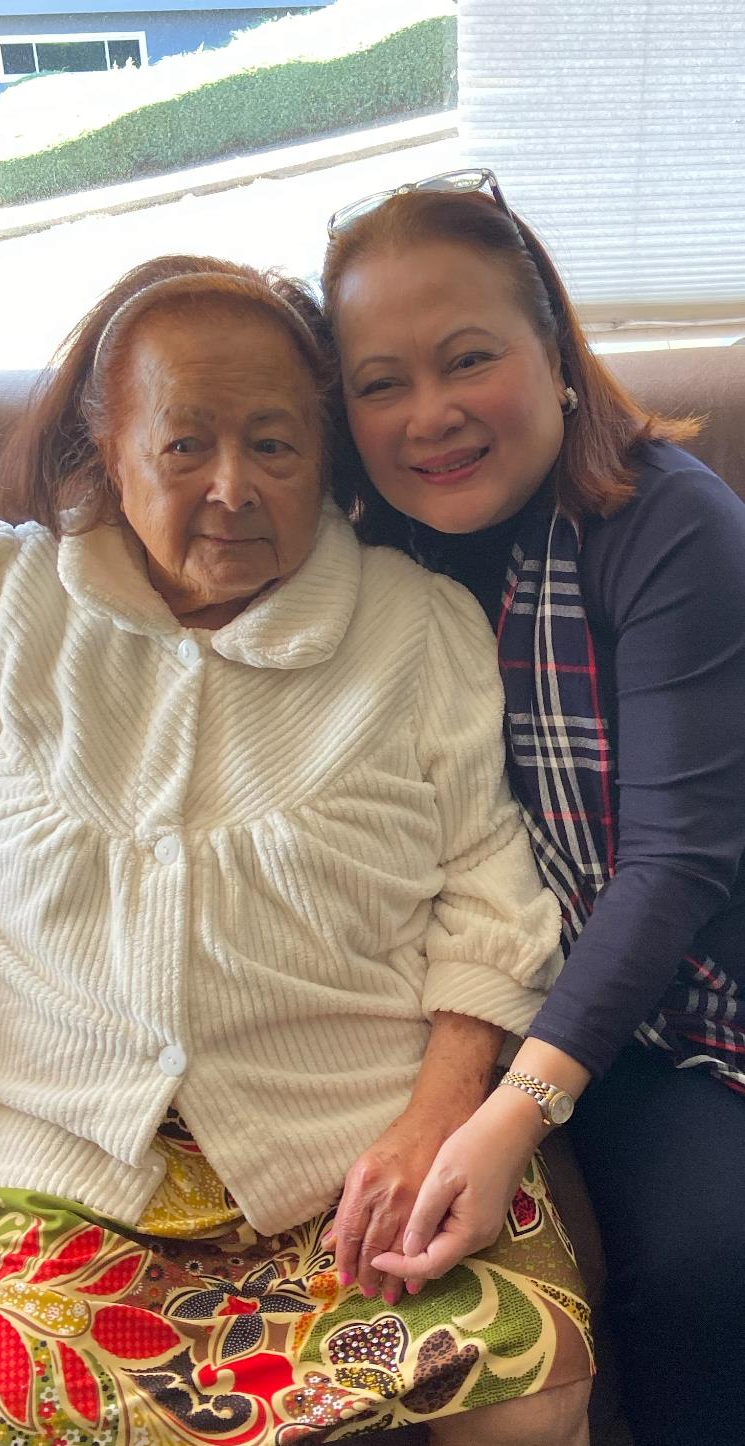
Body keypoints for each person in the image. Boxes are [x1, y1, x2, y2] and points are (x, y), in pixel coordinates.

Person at [0, 253, 593, 1446]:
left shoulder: (413, 627)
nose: (231, 488)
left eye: (273, 444)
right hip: (68, 1157)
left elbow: (490, 901)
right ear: (106, 456)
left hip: (366, 1141)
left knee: (528, 1386)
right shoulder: (18, 612)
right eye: (184, 447)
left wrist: (439, 1111)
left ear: (326, 458)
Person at [321, 170, 745, 1446]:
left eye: (467, 360)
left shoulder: (672, 525)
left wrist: (512, 1107)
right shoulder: (361, 554)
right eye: (380, 382)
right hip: (462, 977)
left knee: (696, 1258)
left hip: (676, 993)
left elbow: (673, 862)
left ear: (554, 353)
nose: (430, 416)